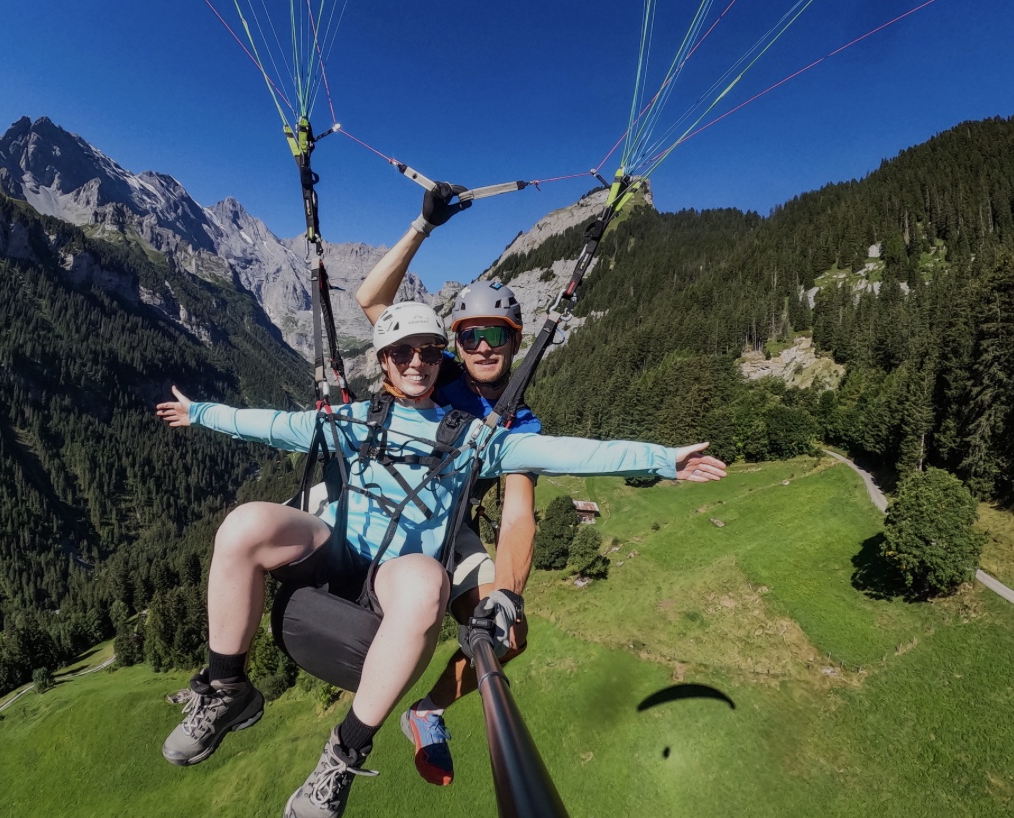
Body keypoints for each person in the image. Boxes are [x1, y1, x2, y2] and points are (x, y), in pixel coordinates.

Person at [156, 300, 726, 818]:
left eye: (428, 352)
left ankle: (343, 753)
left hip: (397, 575)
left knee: (429, 578)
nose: (416, 362)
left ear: (438, 360)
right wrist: (203, 412)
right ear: (383, 360)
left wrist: (661, 460)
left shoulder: (479, 439)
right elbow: (277, 428)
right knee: (243, 524)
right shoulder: (354, 420)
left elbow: (564, 451)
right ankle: (229, 689)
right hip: (336, 547)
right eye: (403, 352)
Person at [355, 183, 539, 786]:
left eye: (498, 336)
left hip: (454, 527)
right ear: (454, 341)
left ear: (515, 340)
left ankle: (428, 709)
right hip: (394, 503)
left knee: (509, 633)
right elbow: (370, 300)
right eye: (471, 336)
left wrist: (507, 591)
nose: (483, 348)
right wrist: (422, 225)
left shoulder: (521, 421)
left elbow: (518, 516)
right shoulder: (430, 369)